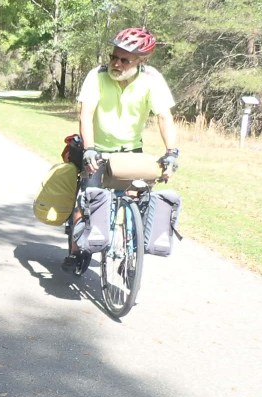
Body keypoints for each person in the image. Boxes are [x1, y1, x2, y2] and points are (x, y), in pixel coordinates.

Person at [63, 26, 180, 271]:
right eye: (113, 57)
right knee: (87, 201)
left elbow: (164, 117)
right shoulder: (97, 76)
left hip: (130, 153)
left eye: (124, 60)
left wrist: (171, 152)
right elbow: (86, 114)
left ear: (141, 61)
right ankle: (77, 252)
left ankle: (129, 253)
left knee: (136, 201)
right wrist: (89, 148)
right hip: (97, 150)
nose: (116, 63)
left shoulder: (152, 79)